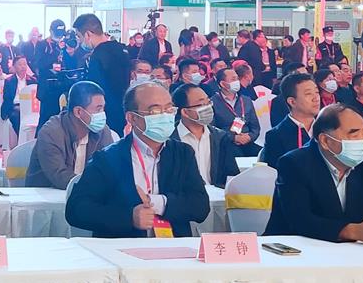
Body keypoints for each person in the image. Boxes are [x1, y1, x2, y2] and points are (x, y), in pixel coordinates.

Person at [65, 81, 210, 238]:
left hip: (173, 247)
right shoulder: (108, 159)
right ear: (132, 118)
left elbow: (200, 207)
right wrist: (129, 217)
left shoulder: (183, 154)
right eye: (155, 110)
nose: (165, 115)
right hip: (122, 248)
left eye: (169, 109)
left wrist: (157, 203)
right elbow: (76, 210)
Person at [264, 104, 363, 244]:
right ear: (325, 141)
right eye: (354, 134)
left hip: (349, 252)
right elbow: (301, 221)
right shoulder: (294, 164)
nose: (362, 141)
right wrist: (352, 231)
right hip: (291, 248)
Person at [26, 81, 117, 189]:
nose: (103, 114)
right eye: (98, 109)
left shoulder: (102, 131)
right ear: (78, 112)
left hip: (85, 194)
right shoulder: (51, 133)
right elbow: (60, 178)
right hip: (47, 195)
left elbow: (110, 168)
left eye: (103, 108)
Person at [171, 82, 240, 187]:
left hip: (217, 194)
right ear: (185, 112)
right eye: (201, 105)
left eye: (208, 103)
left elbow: (231, 175)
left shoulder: (220, 137)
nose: (208, 108)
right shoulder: (169, 140)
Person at [73, 13, 131, 135]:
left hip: (105, 114)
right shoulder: (121, 49)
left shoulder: (98, 56)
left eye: (79, 36)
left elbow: (95, 88)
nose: (79, 41)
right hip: (122, 110)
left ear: (88, 34)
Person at [259, 73, 320, 164]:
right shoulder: (276, 135)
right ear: (292, 102)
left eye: (317, 92)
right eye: (308, 94)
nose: (316, 98)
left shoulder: (327, 129)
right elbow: (274, 170)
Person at [210, 66, 261, 157]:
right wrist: (233, 137)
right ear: (223, 84)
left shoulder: (246, 100)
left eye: (237, 78)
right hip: (226, 145)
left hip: (248, 142)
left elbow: (255, 127)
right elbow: (212, 129)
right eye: (233, 79)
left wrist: (249, 137)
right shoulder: (213, 103)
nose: (237, 82)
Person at [0, 55, 36, 138]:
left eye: (24, 64)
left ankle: (33, 138)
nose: (23, 67)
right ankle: (21, 138)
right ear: (14, 66)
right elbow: (7, 98)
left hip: (30, 107)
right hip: (15, 106)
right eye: (20, 64)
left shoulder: (32, 80)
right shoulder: (9, 81)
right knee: (17, 115)